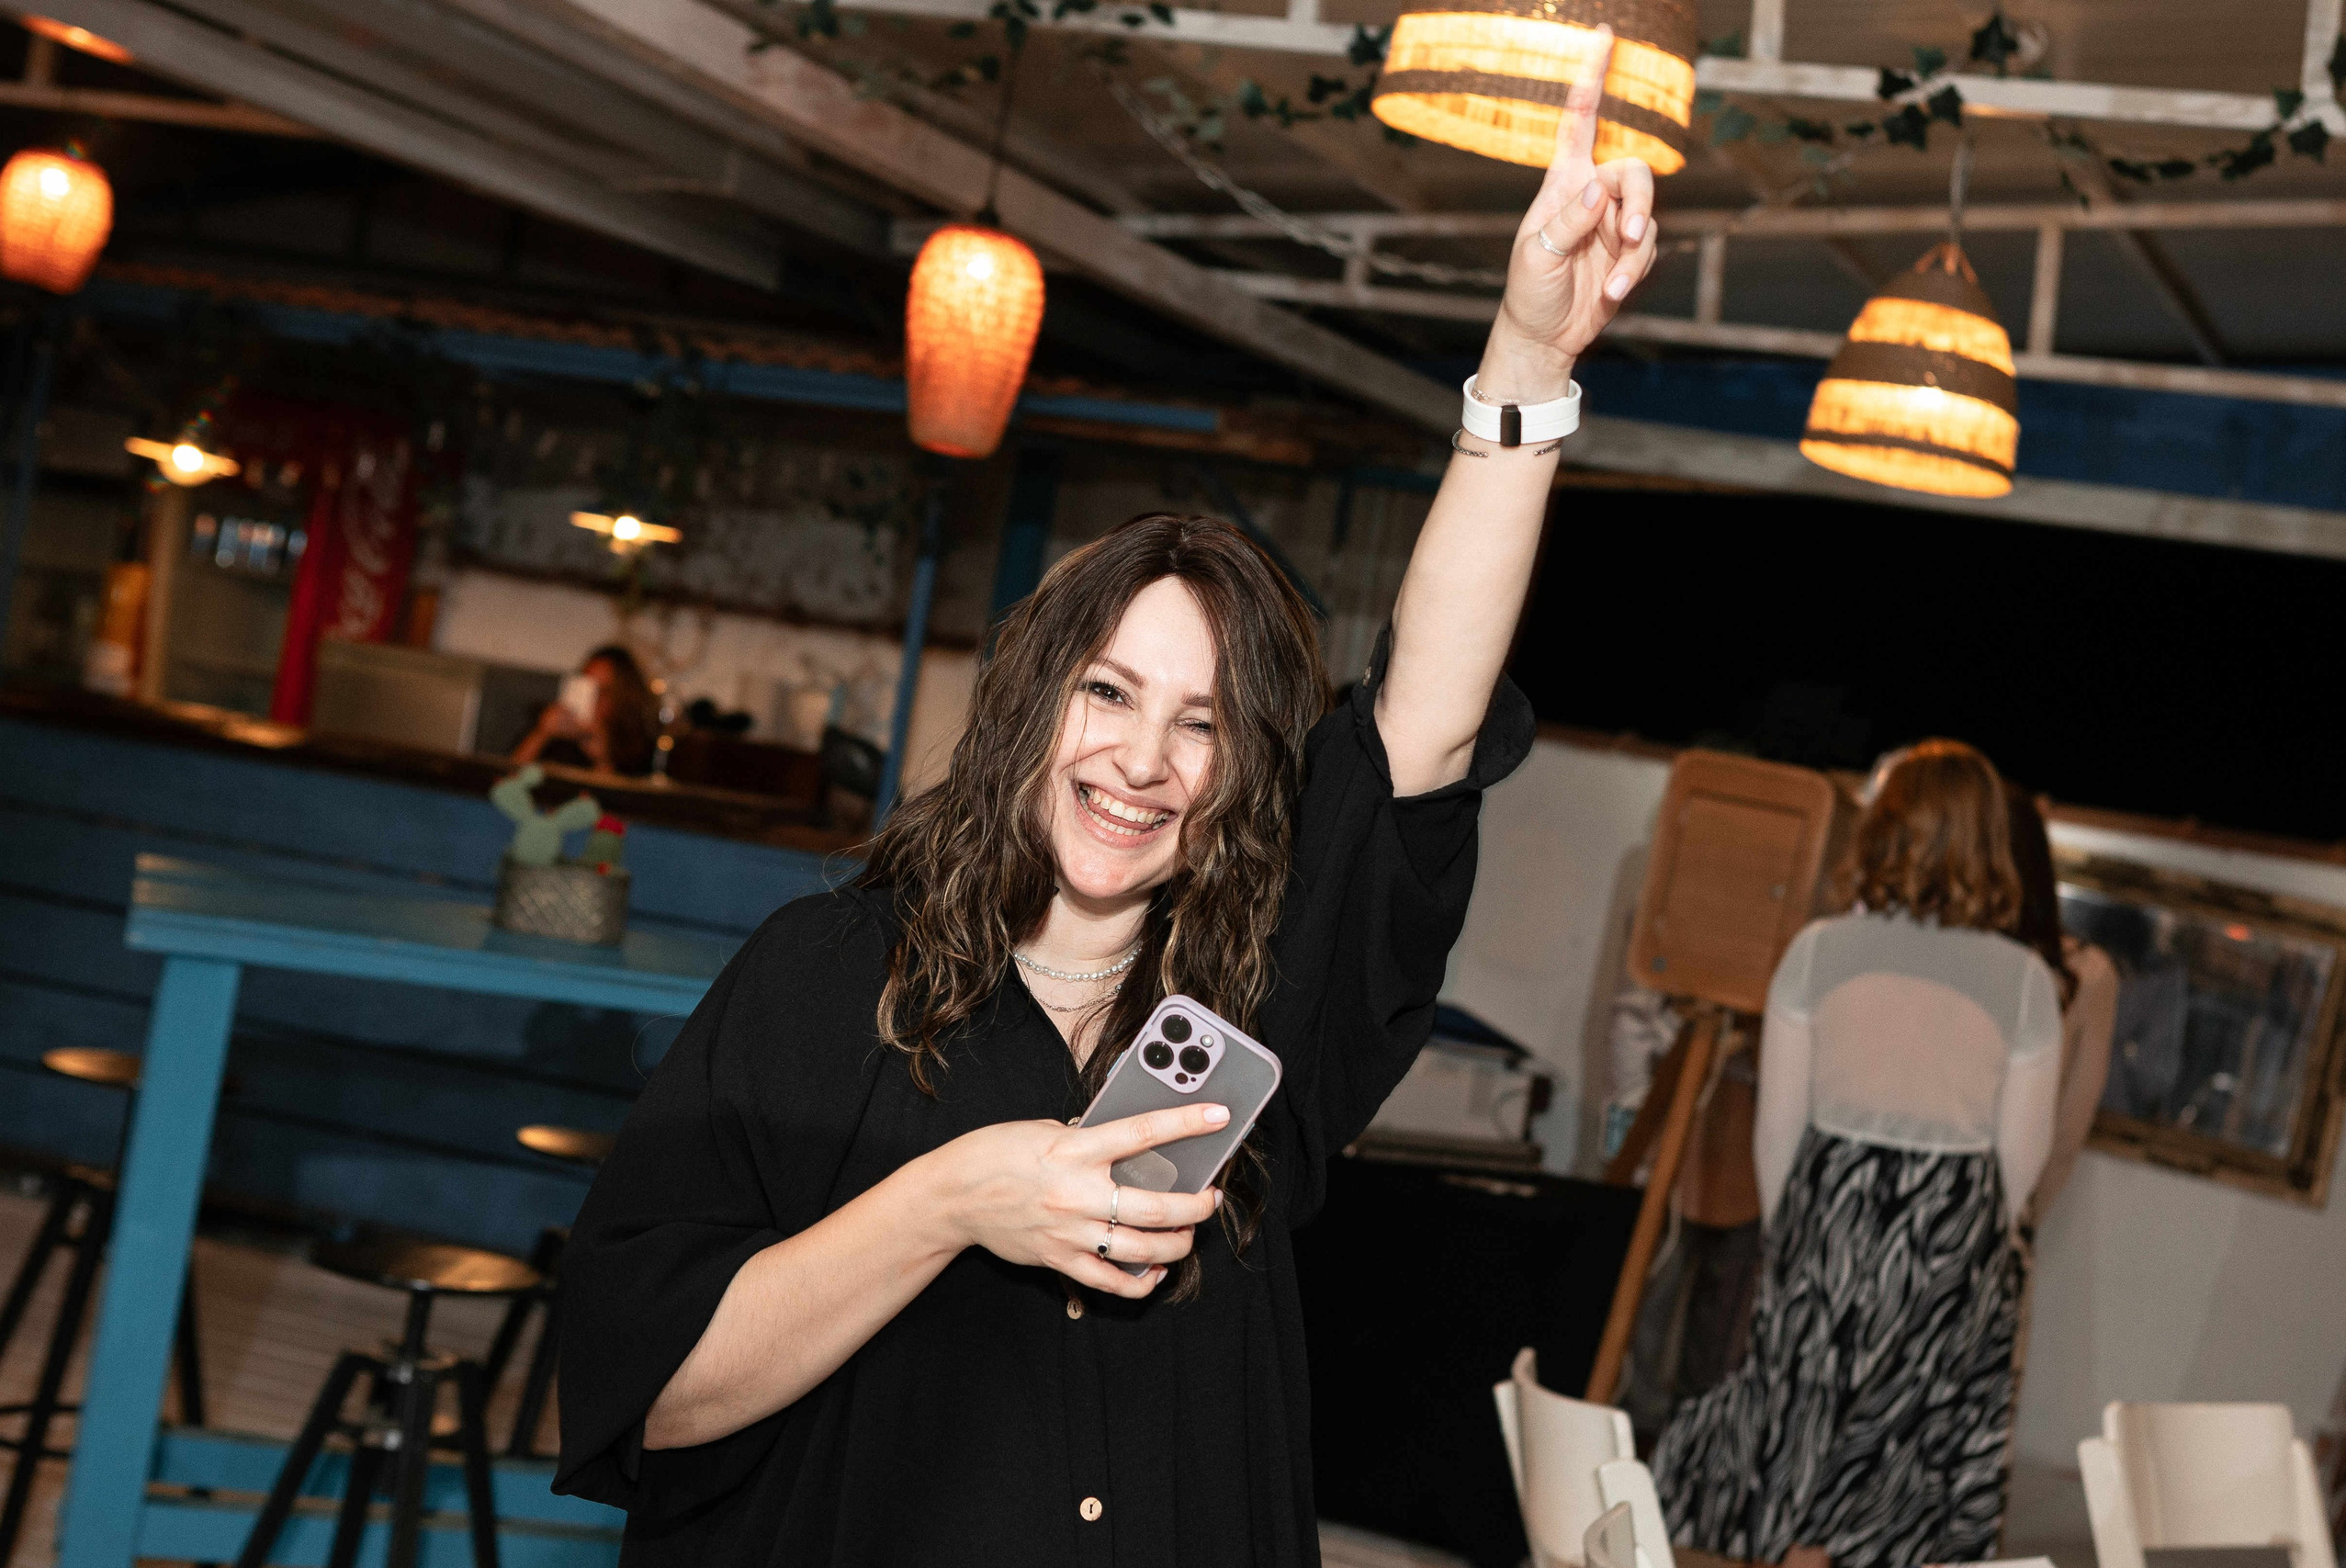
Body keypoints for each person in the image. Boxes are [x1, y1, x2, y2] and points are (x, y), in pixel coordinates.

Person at [551, 34, 1659, 1568]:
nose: (1145, 758)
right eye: (1110, 693)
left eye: (1203, 725)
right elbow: (658, 1389)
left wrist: (1526, 362)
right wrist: (952, 1198)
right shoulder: (822, 983)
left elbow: (1422, 724)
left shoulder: (1256, 1005)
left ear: (1239, 780)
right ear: (1030, 702)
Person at [1652, 739, 2062, 1568]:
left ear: (1882, 828)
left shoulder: (1819, 951)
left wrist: (1799, 1235)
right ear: (1990, 841)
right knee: (1909, 1450)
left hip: (1830, 1208)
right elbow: (2020, 1165)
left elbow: (1778, 1127)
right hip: (1951, 1229)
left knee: (1803, 1427)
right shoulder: (2024, 980)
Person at [2002, 780, 2117, 1231]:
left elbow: (2067, 1133)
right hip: (2000, 1220)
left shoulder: (2085, 973)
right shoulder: (2086, 973)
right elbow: (2066, 1132)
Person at [512, 643, 659, 775]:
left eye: (603, 692)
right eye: (587, 688)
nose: (593, 700)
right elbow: (507, 781)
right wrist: (541, 734)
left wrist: (602, 759)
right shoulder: (552, 729)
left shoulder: (637, 746)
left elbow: (623, 795)